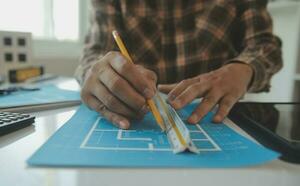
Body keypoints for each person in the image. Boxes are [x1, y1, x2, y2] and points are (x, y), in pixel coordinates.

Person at [76, 0, 282, 129]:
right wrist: (99, 76)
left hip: (218, 117)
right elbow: (93, 55)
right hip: (138, 112)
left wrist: (241, 69)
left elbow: (266, 45)